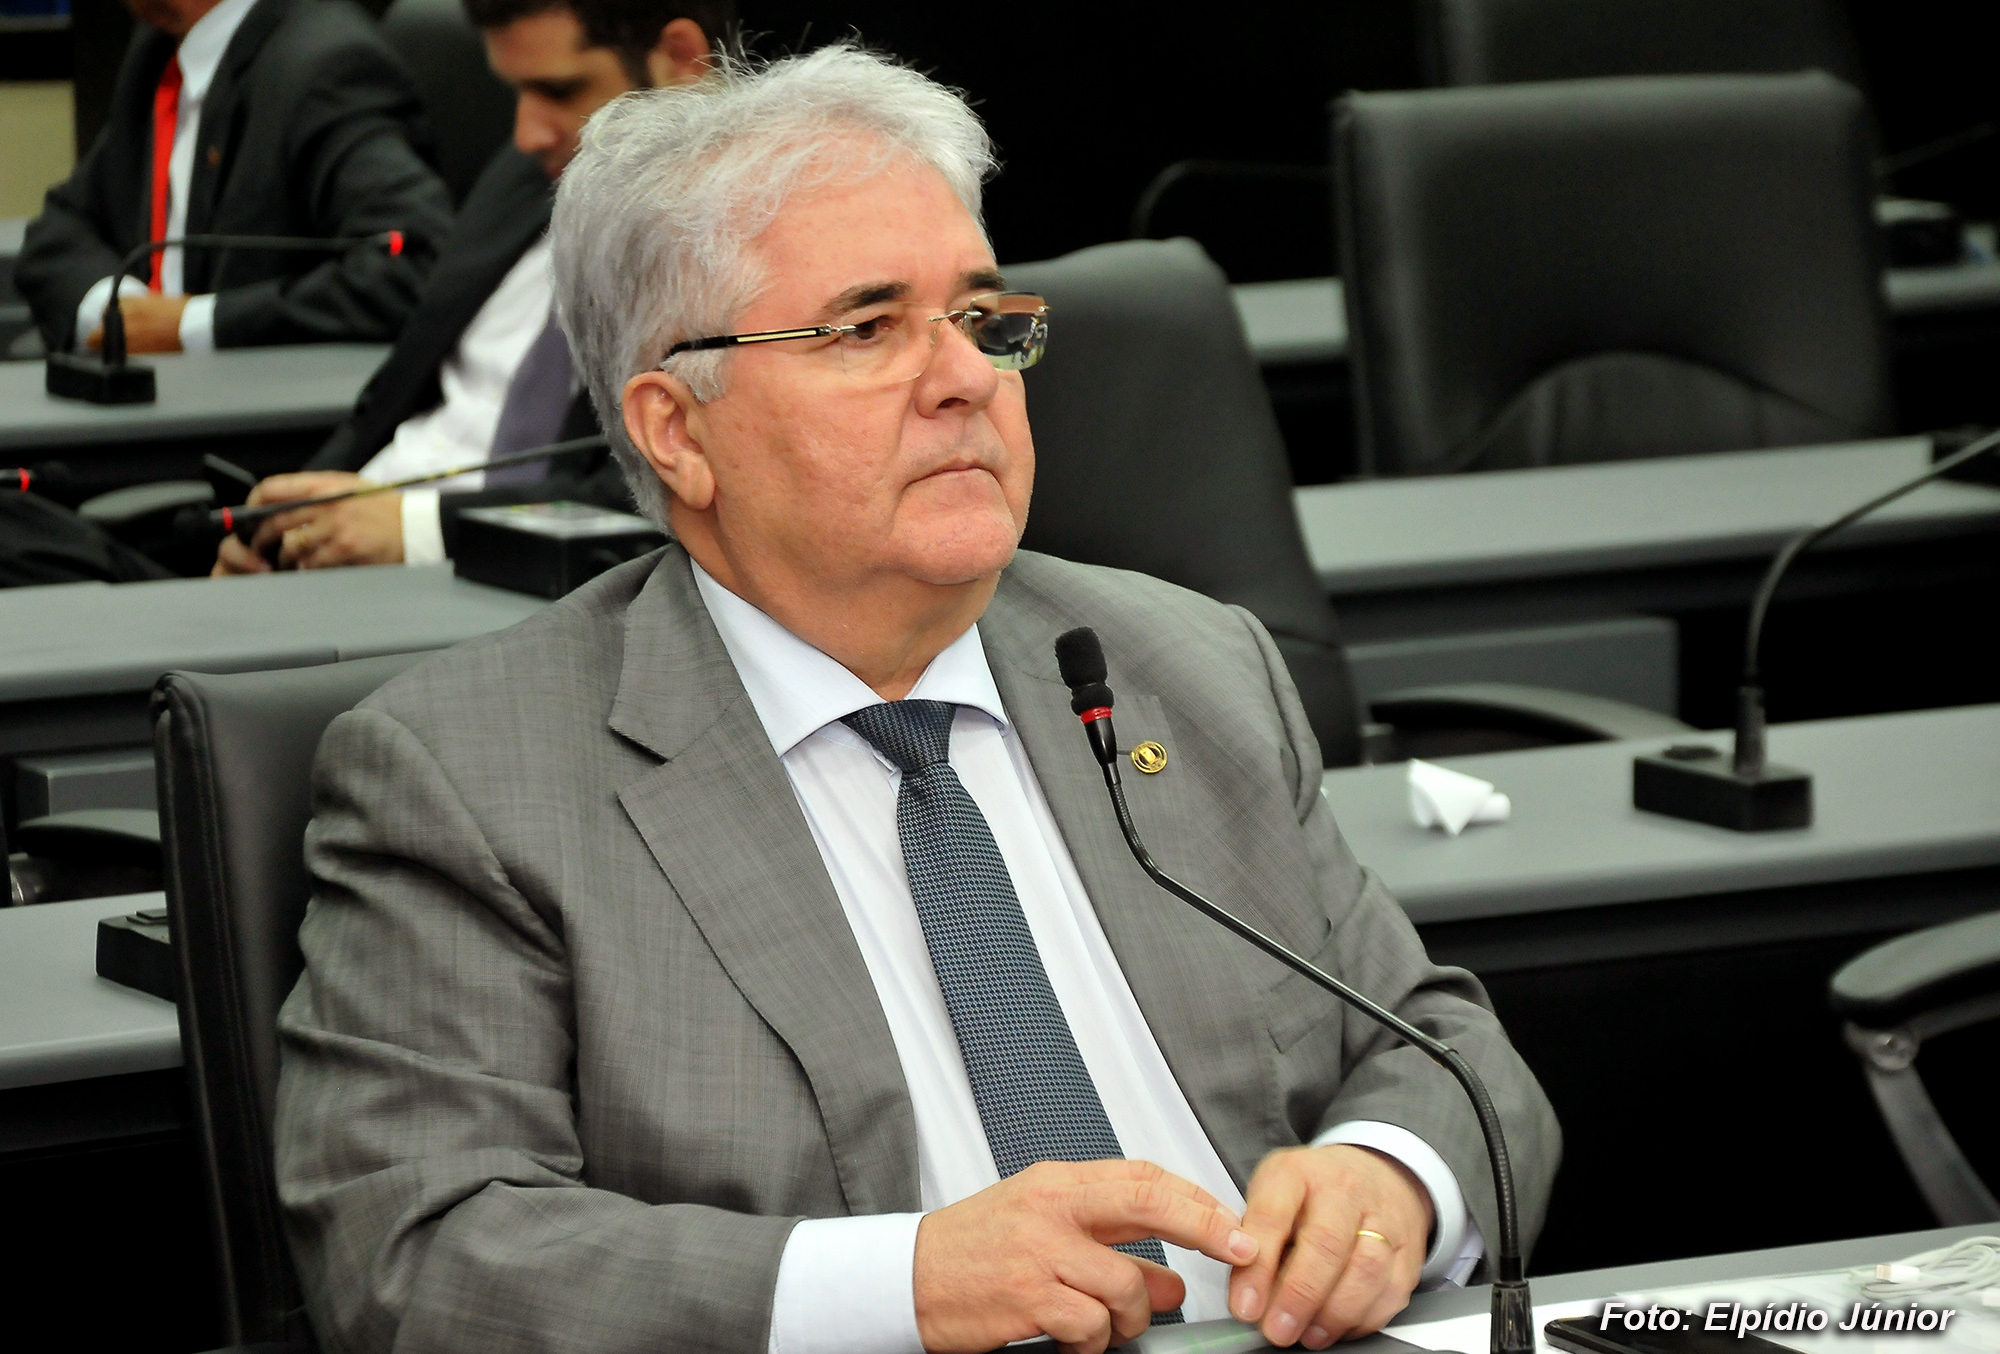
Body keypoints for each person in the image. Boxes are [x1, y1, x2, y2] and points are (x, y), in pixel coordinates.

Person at [274, 46, 1560, 1354]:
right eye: (866, 329)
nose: (967, 376)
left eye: (983, 317)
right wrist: (904, 1283)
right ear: (677, 429)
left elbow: (1442, 1042)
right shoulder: (471, 779)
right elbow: (416, 1256)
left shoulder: (1187, 665)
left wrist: (1389, 1176)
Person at [211, 0, 730, 576]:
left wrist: (418, 528)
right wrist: (284, 522)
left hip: (511, 579)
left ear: (680, 59)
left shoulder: (739, 254)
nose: (526, 134)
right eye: (516, 92)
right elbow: (390, 399)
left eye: (559, 91)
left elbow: (655, 497)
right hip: (347, 549)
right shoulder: (529, 175)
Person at [15, 0, 453, 357]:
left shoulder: (328, 68)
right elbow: (59, 230)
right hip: (151, 407)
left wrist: (191, 327)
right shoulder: (158, 53)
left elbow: (416, 266)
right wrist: (121, 313)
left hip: (263, 416)